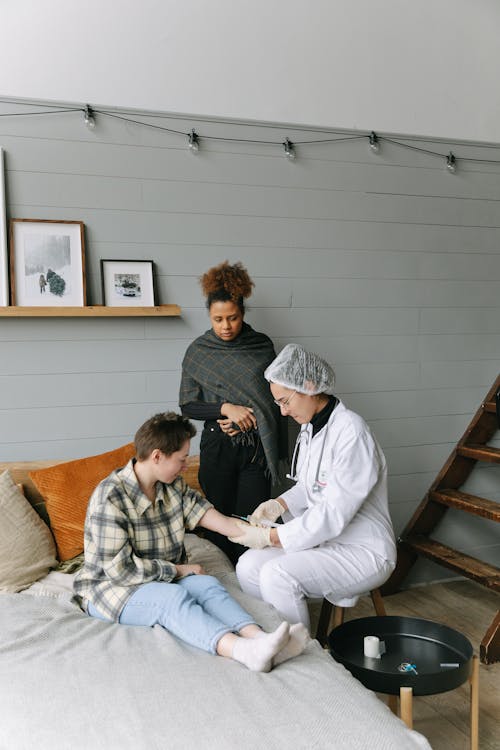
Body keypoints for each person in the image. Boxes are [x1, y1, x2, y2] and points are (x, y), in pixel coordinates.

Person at [73, 412, 309, 673]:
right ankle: (241, 650)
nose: (186, 466)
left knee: (207, 585)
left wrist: (271, 536)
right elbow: (120, 571)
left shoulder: (173, 487)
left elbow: (223, 524)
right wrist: (178, 570)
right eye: (182, 459)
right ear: (157, 456)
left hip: (157, 578)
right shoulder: (111, 497)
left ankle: (260, 639)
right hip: (111, 588)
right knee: (173, 597)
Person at [229, 344, 397, 630]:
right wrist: (278, 504)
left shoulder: (351, 432)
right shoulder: (311, 428)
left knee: (277, 575)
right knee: (247, 565)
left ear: (308, 386)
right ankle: (273, 639)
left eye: (285, 401)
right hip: (326, 540)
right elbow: (312, 487)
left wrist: (273, 537)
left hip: (363, 550)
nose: (282, 412)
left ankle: (303, 659)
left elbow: (334, 512)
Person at [179, 261, 285, 564]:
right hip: (217, 447)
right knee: (216, 520)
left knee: (253, 522)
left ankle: (250, 581)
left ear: (243, 313)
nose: (226, 326)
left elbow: (273, 399)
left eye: (233, 318)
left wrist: (249, 418)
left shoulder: (262, 346)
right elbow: (187, 405)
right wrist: (225, 409)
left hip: (256, 450)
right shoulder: (198, 351)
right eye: (218, 319)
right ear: (209, 317)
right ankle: (224, 583)